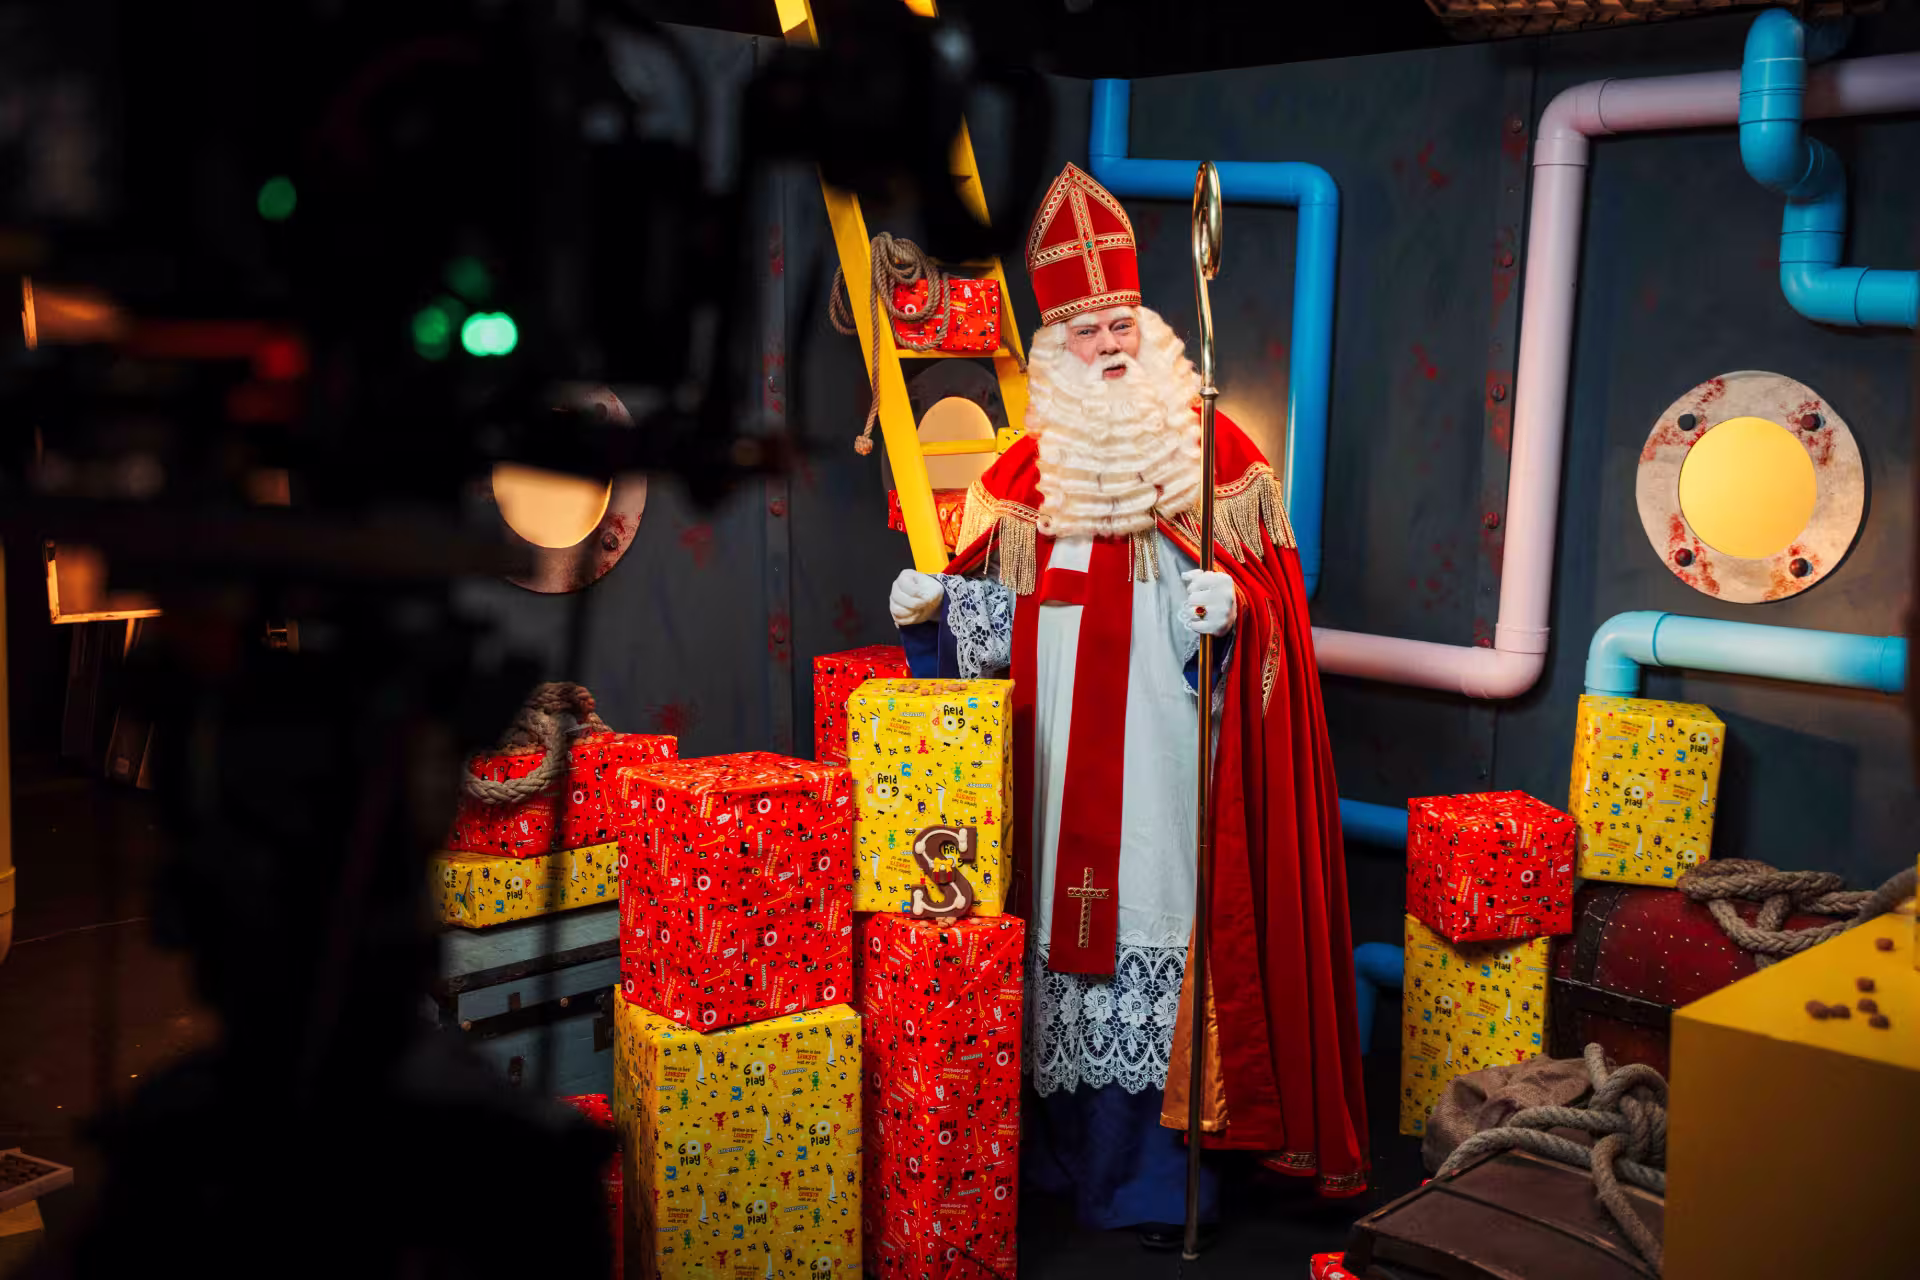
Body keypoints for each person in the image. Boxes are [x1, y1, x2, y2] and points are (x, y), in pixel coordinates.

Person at [888, 164, 1368, 1247]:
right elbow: (998, 642)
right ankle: (1057, 1164)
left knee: (1163, 929)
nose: (1106, 343)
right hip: (1056, 770)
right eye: (1083, 329)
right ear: (1052, 351)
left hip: (1166, 762)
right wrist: (940, 607)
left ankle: (1161, 1184)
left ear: (1151, 332)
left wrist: (1230, 608)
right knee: (1054, 950)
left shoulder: (1220, 462)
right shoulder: (1018, 477)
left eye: (1120, 323)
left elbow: (1273, 646)